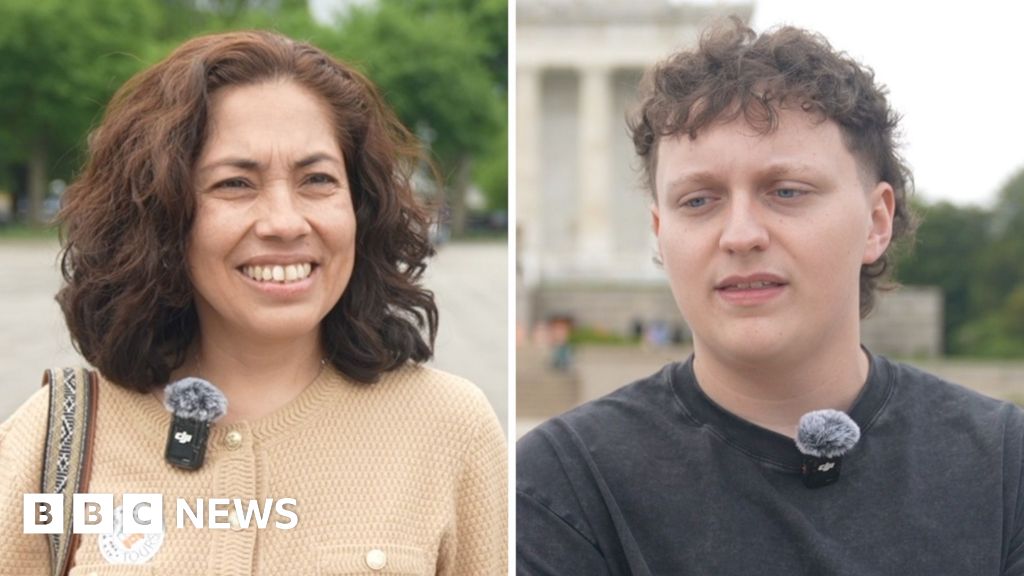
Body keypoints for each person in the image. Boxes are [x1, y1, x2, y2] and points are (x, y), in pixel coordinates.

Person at [517, 19, 1024, 575]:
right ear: (660, 232)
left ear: (876, 222)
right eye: (698, 201)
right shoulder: (557, 488)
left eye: (786, 192)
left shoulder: (1005, 468)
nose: (740, 235)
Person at [0, 30, 506, 575]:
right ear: (161, 216)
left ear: (361, 206)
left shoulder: (450, 429)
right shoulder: (55, 439)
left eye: (317, 179)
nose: (285, 222)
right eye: (236, 184)